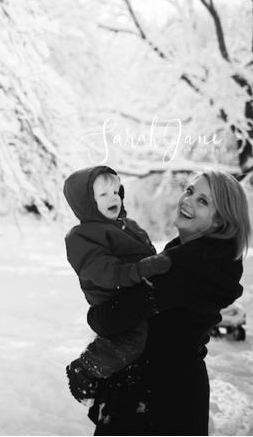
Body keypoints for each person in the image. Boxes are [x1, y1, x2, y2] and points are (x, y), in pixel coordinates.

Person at [73, 170, 250, 435]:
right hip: (175, 392)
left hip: (153, 400)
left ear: (220, 221)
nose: (187, 200)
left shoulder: (188, 265)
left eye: (203, 201)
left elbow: (108, 319)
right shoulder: (208, 258)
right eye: (190, 191)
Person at [63, 166, 172, 401]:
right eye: (103, 195)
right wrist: (141, 270)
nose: (114, 198)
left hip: (133, 293)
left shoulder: (128, 225)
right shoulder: (82, 236)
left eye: (115, 191)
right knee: (132, 340)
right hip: (111, 301)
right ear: (86, 203)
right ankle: (85, 369)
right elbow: (106, 273)